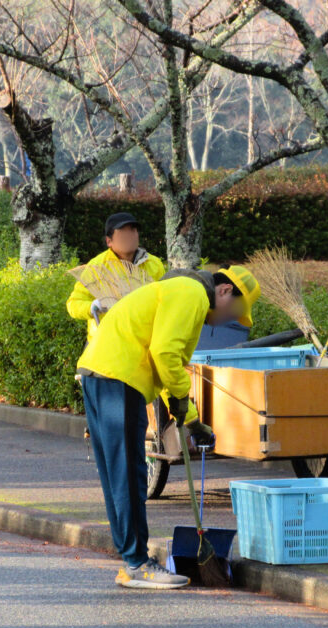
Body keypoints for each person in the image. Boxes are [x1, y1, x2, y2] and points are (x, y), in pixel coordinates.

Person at [77, 266, 260, 589]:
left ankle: (132, 560)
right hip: (121, 379)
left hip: (100, 374)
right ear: (225, 291)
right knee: (129, 476)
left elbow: (164, 362)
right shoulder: (191, 295)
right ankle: (137, 564)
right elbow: (165, 353)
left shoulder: (179, 291)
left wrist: (189, 419)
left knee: (116, 474)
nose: (226, 322)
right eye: (233, 313)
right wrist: (181, 400)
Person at [66, 212, 166, 340]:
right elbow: (73, 304)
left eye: (133, 231)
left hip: (144, 341)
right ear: (109, 241)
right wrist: (92, 307)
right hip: (105, 343)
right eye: (122, 233)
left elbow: (165, 300)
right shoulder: (97, 267)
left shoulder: (154, 264)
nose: (129, 237)